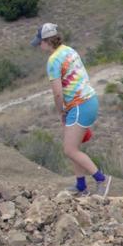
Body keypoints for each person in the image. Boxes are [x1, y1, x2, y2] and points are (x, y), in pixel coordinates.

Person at [31, 23, 110, 196]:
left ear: (46, 41)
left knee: (69, 149)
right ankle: (81, 186)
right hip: (89, 100)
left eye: (40, 42)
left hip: (79, 104)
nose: (39, 46)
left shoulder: (53, 60)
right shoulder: (68, 50)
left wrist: (61, 112)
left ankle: (101, 179)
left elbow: (58, 93)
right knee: (74, 147)